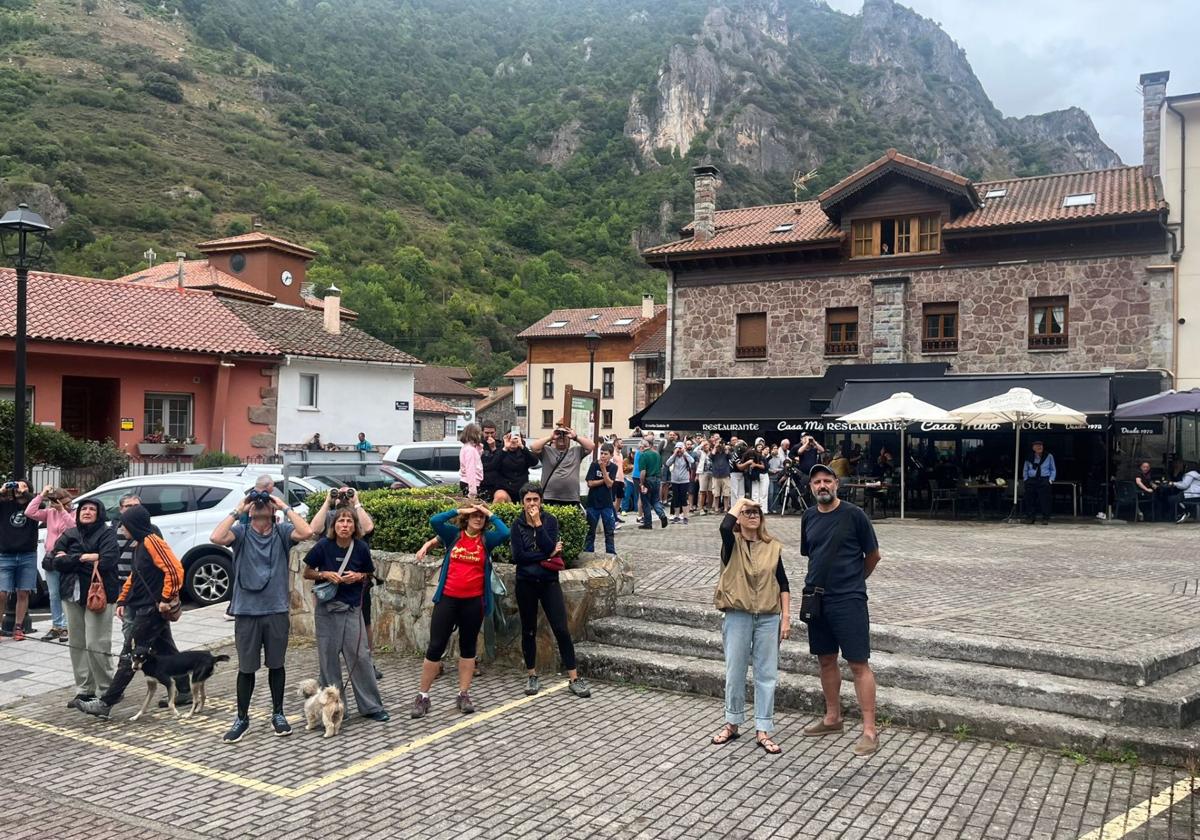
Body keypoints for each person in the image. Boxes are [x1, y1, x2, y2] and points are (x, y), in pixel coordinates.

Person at [210, 482, 314, 742]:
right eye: (256, 502)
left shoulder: (282, 532)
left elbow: (308, 531)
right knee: (246, 668)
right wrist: (238, 510)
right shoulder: (241, 532)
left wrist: (283, 505)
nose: (260, 504)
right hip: (246, 611)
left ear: (272, 509)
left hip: (276, 609)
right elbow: (216, 537)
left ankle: (278, 714)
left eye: (265, 502)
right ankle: (242, 718)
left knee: (276, 665)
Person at [800, 463, 882, 757]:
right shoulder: (808, 516)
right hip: (817, 598)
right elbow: (812, 554)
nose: (822, 485)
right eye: (816, 482)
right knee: (825, 660)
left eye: (827, 480)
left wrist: (853, 581)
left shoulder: (854, 515)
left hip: (849, 599)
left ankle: (869, 730)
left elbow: (873, 556)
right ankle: (832, 717)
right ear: (811, 487)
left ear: (837, 483)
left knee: (858, 663)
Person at [77, 505, 186, 719]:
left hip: (151, 610)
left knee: (130, 654)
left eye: (123, 524)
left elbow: (175, 570)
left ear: (133, 525)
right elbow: (135, 577)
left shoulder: (153, 542)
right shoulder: (141, 544)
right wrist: (123, 599)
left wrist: (165, 598)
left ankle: (106, 703)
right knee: (166, 650)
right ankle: (185, 690)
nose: (121, 528)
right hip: (146, 607)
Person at [410, 503, 509, 718]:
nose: (478, 519)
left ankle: (463, 694)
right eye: (474, 515)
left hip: (473, 602)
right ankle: (423, 696)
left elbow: (505, 532)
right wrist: (458, 511)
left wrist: (490, 513)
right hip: (448, 600)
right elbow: (435, 520)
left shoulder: (486, 540)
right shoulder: (453, 535)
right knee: (435, 647)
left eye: (481, 517)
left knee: (468, 648)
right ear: (466, 517)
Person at [710, 497, 790, 755]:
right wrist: (742, 500)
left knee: (766, 674)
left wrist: (786, 617)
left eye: (757, 512)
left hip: (768, 616)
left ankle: (763, 729)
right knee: (735, 672)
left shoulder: (772, 546)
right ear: (740, 518)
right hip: (738, 614)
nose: (753, 515)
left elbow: (784, 583)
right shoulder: (732, 544)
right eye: (747, 512)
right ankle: (732, 722)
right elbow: (724, 526)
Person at [302, 507, 389, 721]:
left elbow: (368, 573)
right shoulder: (323, 546)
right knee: (328, 661)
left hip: (352, 609)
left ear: (354, 526)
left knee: (360, 657)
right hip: (327, 611)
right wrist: (324, 574)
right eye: (341, 521)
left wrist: (358, 576)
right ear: (334, 526)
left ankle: (371, 706)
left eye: (349, 522)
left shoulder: (360, 547)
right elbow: (307, 572)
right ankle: (334, 710)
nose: (345, 525)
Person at [510, 483, 591, 698]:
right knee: (528, 629)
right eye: (528, 500)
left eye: (536, 500)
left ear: (541, 501)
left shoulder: (550, 521)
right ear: (522, 503)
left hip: (549, 583)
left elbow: (548, 546)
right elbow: (519, 557)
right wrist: (545, 555)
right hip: (526, 583)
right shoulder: (516, 525)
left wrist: (538, 525)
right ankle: (532, 674)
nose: (532, 504)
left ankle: (574, 677)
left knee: (561, 629)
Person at [49, 499, 120, 706]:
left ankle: (107, 689)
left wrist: (71, 557)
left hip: (100, 595)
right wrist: (85, 557)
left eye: (92, 509)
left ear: (99, 513)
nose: (87, 512)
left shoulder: (107, 534)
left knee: (96, 643)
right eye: (84, 509)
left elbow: (107, 561)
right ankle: (84, 689)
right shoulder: (70, 533)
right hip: (71, 594)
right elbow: (53, 561)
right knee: (77, 644)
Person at [310, 487, 381, 680]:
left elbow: (368, 528)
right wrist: (327, 502)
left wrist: (355, 502)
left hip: (356, 589)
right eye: (339, 494)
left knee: (364, 624)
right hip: (328, 589)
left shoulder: (356, 516)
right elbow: (313, 529)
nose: (345, 524)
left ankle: (367, 662)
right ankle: (327, 670)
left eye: (346, 493)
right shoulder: (330, 517)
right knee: (327, 633)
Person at [27, 486, 74, 641]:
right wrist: (41, 495)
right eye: (63, 503)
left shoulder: (73, 513)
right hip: (51, 558)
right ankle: (57, 625)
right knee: (54, 594)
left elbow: (74, 527)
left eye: (69, 502)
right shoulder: (50, 513)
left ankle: (67, 626)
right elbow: (30, 512)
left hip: (67, 557)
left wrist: (63, 511)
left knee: (67, 593)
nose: (68, 505)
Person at [0, 479, 39, 640]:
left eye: (21, 486)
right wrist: (2, 491)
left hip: (27, 554)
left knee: (23, 592)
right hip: (5, 555)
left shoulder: (32, 507)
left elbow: (41, 507)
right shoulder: (5, 505)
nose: (17, 489)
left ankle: (18, 627)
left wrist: (25, 493)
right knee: (1, 593)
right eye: (15, 486)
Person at [531, 425, 595, 507]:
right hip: (549, 496)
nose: (561, 437)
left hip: (571, 497)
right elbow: (533, 447)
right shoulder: (547, 451)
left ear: (569, 439)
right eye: (559, 435)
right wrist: (550, 437)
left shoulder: (576, 451)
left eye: (564, 436)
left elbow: (591, 446)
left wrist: (575, 437)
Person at [489, 432, 540, 505]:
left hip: (521, 488)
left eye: (516, 438)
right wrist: (505, 448)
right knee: (500, 496)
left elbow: (534, 462)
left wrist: (522, 447)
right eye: (510, 438)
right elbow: (493, 465)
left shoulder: (524, 451)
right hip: (504, 487)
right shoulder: (501, 451)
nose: (513, 441)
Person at [637, 438, 668, 530]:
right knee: (655, 500)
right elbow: (660, 467)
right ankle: (662, 515)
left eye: (639, 447)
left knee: (645, 502)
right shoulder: (657, 454)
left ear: (642, 447)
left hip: (648, 480)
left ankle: (648, 523)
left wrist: (642, 483)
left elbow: (643, 471)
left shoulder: (643, 455)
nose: (639, 449)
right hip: (657, 479)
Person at [1022, 441, 1055, 525]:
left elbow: (1053, 469)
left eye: (1040, 446)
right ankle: (1030, 518)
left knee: (1045, 500)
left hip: (1044, 479)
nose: (1039, 447)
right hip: (1031, 480)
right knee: (1030, 499)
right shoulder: (1029, 456)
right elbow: (1025, 469)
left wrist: (1051, 479)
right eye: (1037, 446)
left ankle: (1045, 518)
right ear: (1033, 448)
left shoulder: (1049, 456)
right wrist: (1026, 479)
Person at [667, 442, 694, 524]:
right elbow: (667, 463)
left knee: (683, 498)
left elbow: (692, 461)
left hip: (684, 481)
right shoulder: (674, 457)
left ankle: (685, 516)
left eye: (680, 449)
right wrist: (674, 454)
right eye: (677, 449)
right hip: (675, 481)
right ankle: (677, 516)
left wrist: (684, 452)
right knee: (676, 498)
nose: (679, 451)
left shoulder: (685, 456)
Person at [459, 422, 484, 498]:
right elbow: (471, 470)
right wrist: (472, 491)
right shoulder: (471, 450)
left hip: (466, 482)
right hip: (471, 484)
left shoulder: (465, 447)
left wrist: (478, 450)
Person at [479, 422, 502, 502]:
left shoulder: (500, 445)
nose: (490, 435)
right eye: (487, 433)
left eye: (492, 433)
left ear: (495, 432)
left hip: (497, 486)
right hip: (482, 485)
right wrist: (492, 464)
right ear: (482, 432)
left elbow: (501, 464)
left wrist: (493, 448)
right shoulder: (478, 446)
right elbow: (480, 466)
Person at [709, 436, 732, 514]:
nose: (720, 446)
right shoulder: (714, 453)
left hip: (725, 475)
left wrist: (725, 448)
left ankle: (725, 509)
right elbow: (710, 456)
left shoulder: (726, 453)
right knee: (716, 494)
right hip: (716, 475)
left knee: (726, 493)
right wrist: (715, 446)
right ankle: (716, 509)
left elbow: (730, 456)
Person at [767, 445, 786, 515]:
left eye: (776, 448)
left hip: (777, 478)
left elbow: (782, 467)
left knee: (776, 493)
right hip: (770, 477)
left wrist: (777, 470)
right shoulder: (769, 458)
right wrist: (771, 470)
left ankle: (775, 508)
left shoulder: (779, 458)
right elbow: (766, 467)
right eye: (774, 448)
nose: (775, 450)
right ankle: (770, 508)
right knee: (770, 493)